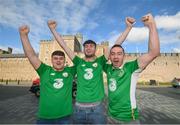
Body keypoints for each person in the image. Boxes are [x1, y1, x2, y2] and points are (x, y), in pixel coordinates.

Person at [47, 17, 135, 124]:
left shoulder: (100, 61)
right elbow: (64, 46)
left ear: (95, 48)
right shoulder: (78, 62)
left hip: (97, 109)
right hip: (79, 109)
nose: (88, 48)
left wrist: (128, 28)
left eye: (91, 46)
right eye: (86, 46)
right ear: (84, 49)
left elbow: (117, 44)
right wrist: (53, 30)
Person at [104, 13, 160, 124]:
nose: (116, 56)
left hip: (128, 118)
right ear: (109, 57)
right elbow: (115, 47)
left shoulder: (131, 68)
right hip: (110, 117)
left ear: (124, 56)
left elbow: (154, 52)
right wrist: (128, 28)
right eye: (113, 54)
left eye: (119, 54)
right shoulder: (108, 68)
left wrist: (151, 25)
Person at [19, 25, 76, 124]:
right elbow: (31, 55)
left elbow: (80, 61)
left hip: (65, 118)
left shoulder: (70, 71)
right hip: (45, 119)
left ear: (65, 60)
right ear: (51, 60)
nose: (58, 61)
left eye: (61, 59)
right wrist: (24, 36)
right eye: (55, 58)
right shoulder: (44, 70)